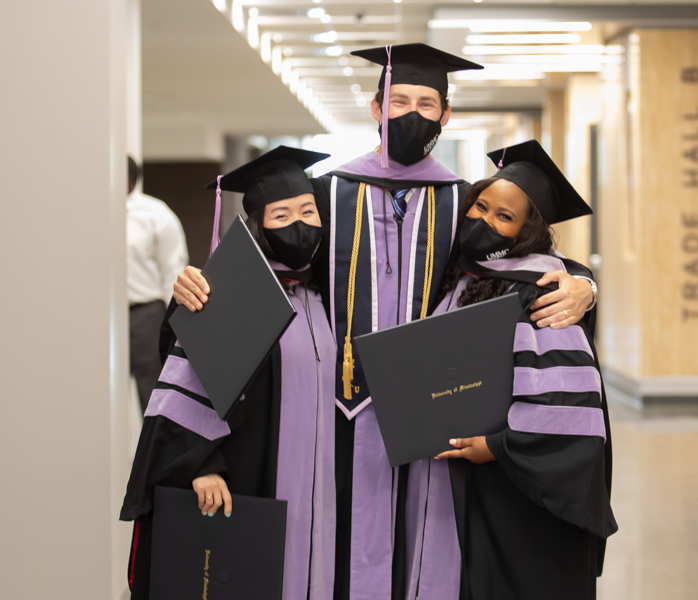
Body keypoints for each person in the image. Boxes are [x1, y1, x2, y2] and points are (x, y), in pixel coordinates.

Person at [173, 44, 598, 600]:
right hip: (328, 420)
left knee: (426, 561)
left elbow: (524, 263)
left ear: (447, 116)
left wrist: (584, 284)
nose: (413, 114)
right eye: (399, 101)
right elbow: (260, 267)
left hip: (431, 419)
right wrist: (193, 287)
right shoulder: (323, 196)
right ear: (376, 108)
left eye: (427, 103)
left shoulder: (462, 204)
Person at [121, 147, 338, 600]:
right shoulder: (235, 292)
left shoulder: (330, 295)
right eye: (281, 214)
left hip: (320, 487)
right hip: (250, 476)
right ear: (257, 224)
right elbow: (188, 387)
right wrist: (201, 466)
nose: (298, 224)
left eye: (308, 211)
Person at [407, 140, 617, 600]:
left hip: (517, 496)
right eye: (480, 206)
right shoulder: (458, 273)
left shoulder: (544, 292)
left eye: (504, 216)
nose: (484, 221)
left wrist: (500, 447)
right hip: (459, 482)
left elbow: (568, 414)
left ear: (526, 232)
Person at [127, 155, 189, 413]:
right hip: (100, 317)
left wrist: (174, 324)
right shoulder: (89, 213)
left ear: (131, 179)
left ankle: (153, 451)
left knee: (151, 394)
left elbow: (173, 270)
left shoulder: (155, 214)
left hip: (146, 316)